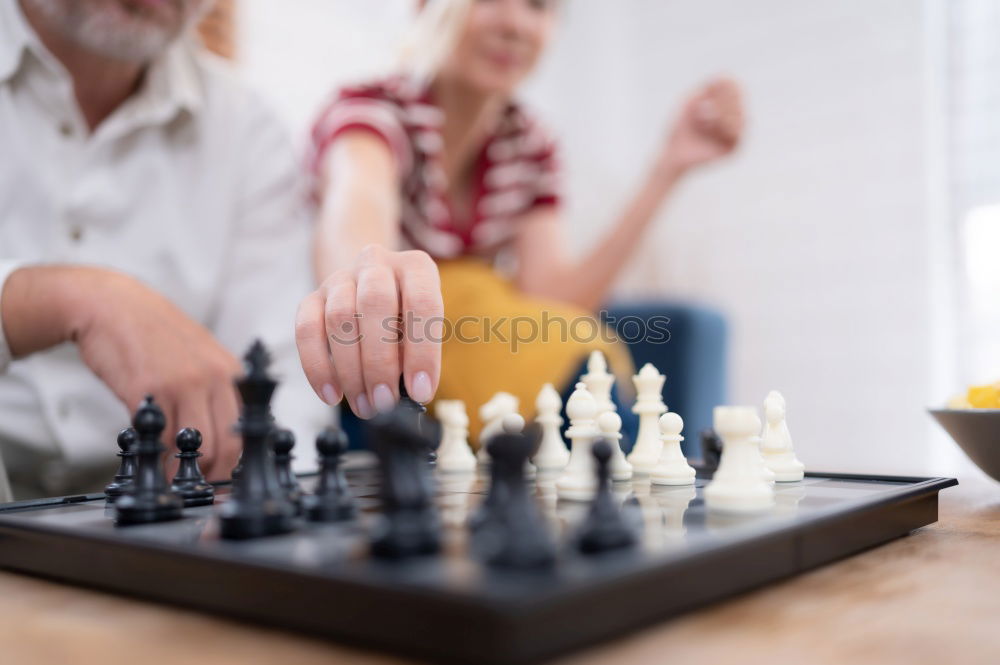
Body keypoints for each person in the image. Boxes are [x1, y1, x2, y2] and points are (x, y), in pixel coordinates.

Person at [296, 0, 744, 437]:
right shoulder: (372, 112)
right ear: (424, 6)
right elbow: (357, 203)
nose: (514, 24)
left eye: (537, 4)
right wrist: (363, 271)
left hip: (492, 374)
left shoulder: (530, 143)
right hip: (393, 386)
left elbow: (553, 299)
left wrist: (667, 170)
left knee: (589, 392)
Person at [0, 0, 327, 499]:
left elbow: (284, 392)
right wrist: (62, 298)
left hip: (155, 527)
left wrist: (259, 501)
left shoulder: (250, 130)